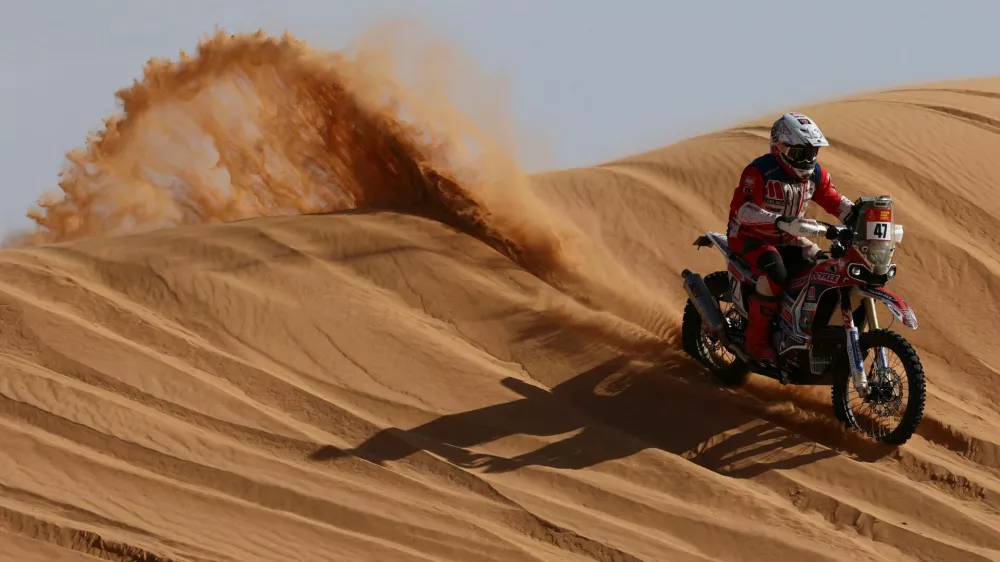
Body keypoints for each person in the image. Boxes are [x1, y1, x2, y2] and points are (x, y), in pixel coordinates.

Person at [727, 111, 854, 361]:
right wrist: (776, 220)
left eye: (812, 153)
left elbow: (834, 200)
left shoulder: (817, 174)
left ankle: (799, 329)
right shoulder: (759, 171)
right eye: (801, 153)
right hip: (751, 236)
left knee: (823, 268)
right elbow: (744, 210)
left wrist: (858, 213)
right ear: (780, 148)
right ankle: (756, 342)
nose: (808, 159)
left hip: (789, 237)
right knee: (776, 274)